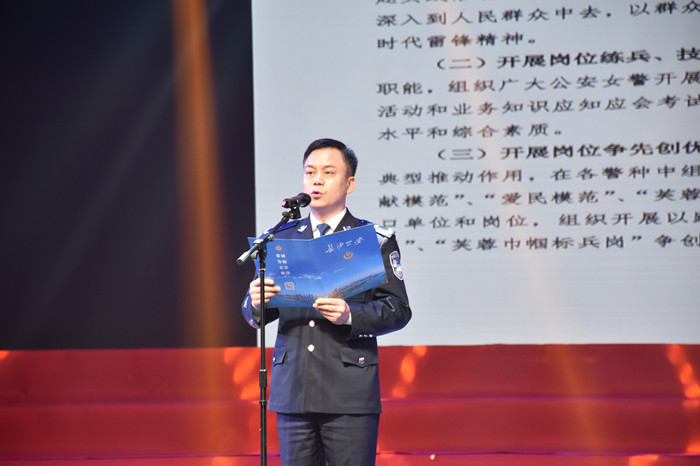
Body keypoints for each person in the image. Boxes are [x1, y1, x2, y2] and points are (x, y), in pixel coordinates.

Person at [242, 138, 412, 465]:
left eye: (328, 172)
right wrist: (257, 302)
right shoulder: (279, 239)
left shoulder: (370, 239)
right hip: (294, 389)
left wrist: (351, 315)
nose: (316, 180)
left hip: (348, 390)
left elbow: (398, 310)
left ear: (350, 183)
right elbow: (254, 315)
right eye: (310, 172)